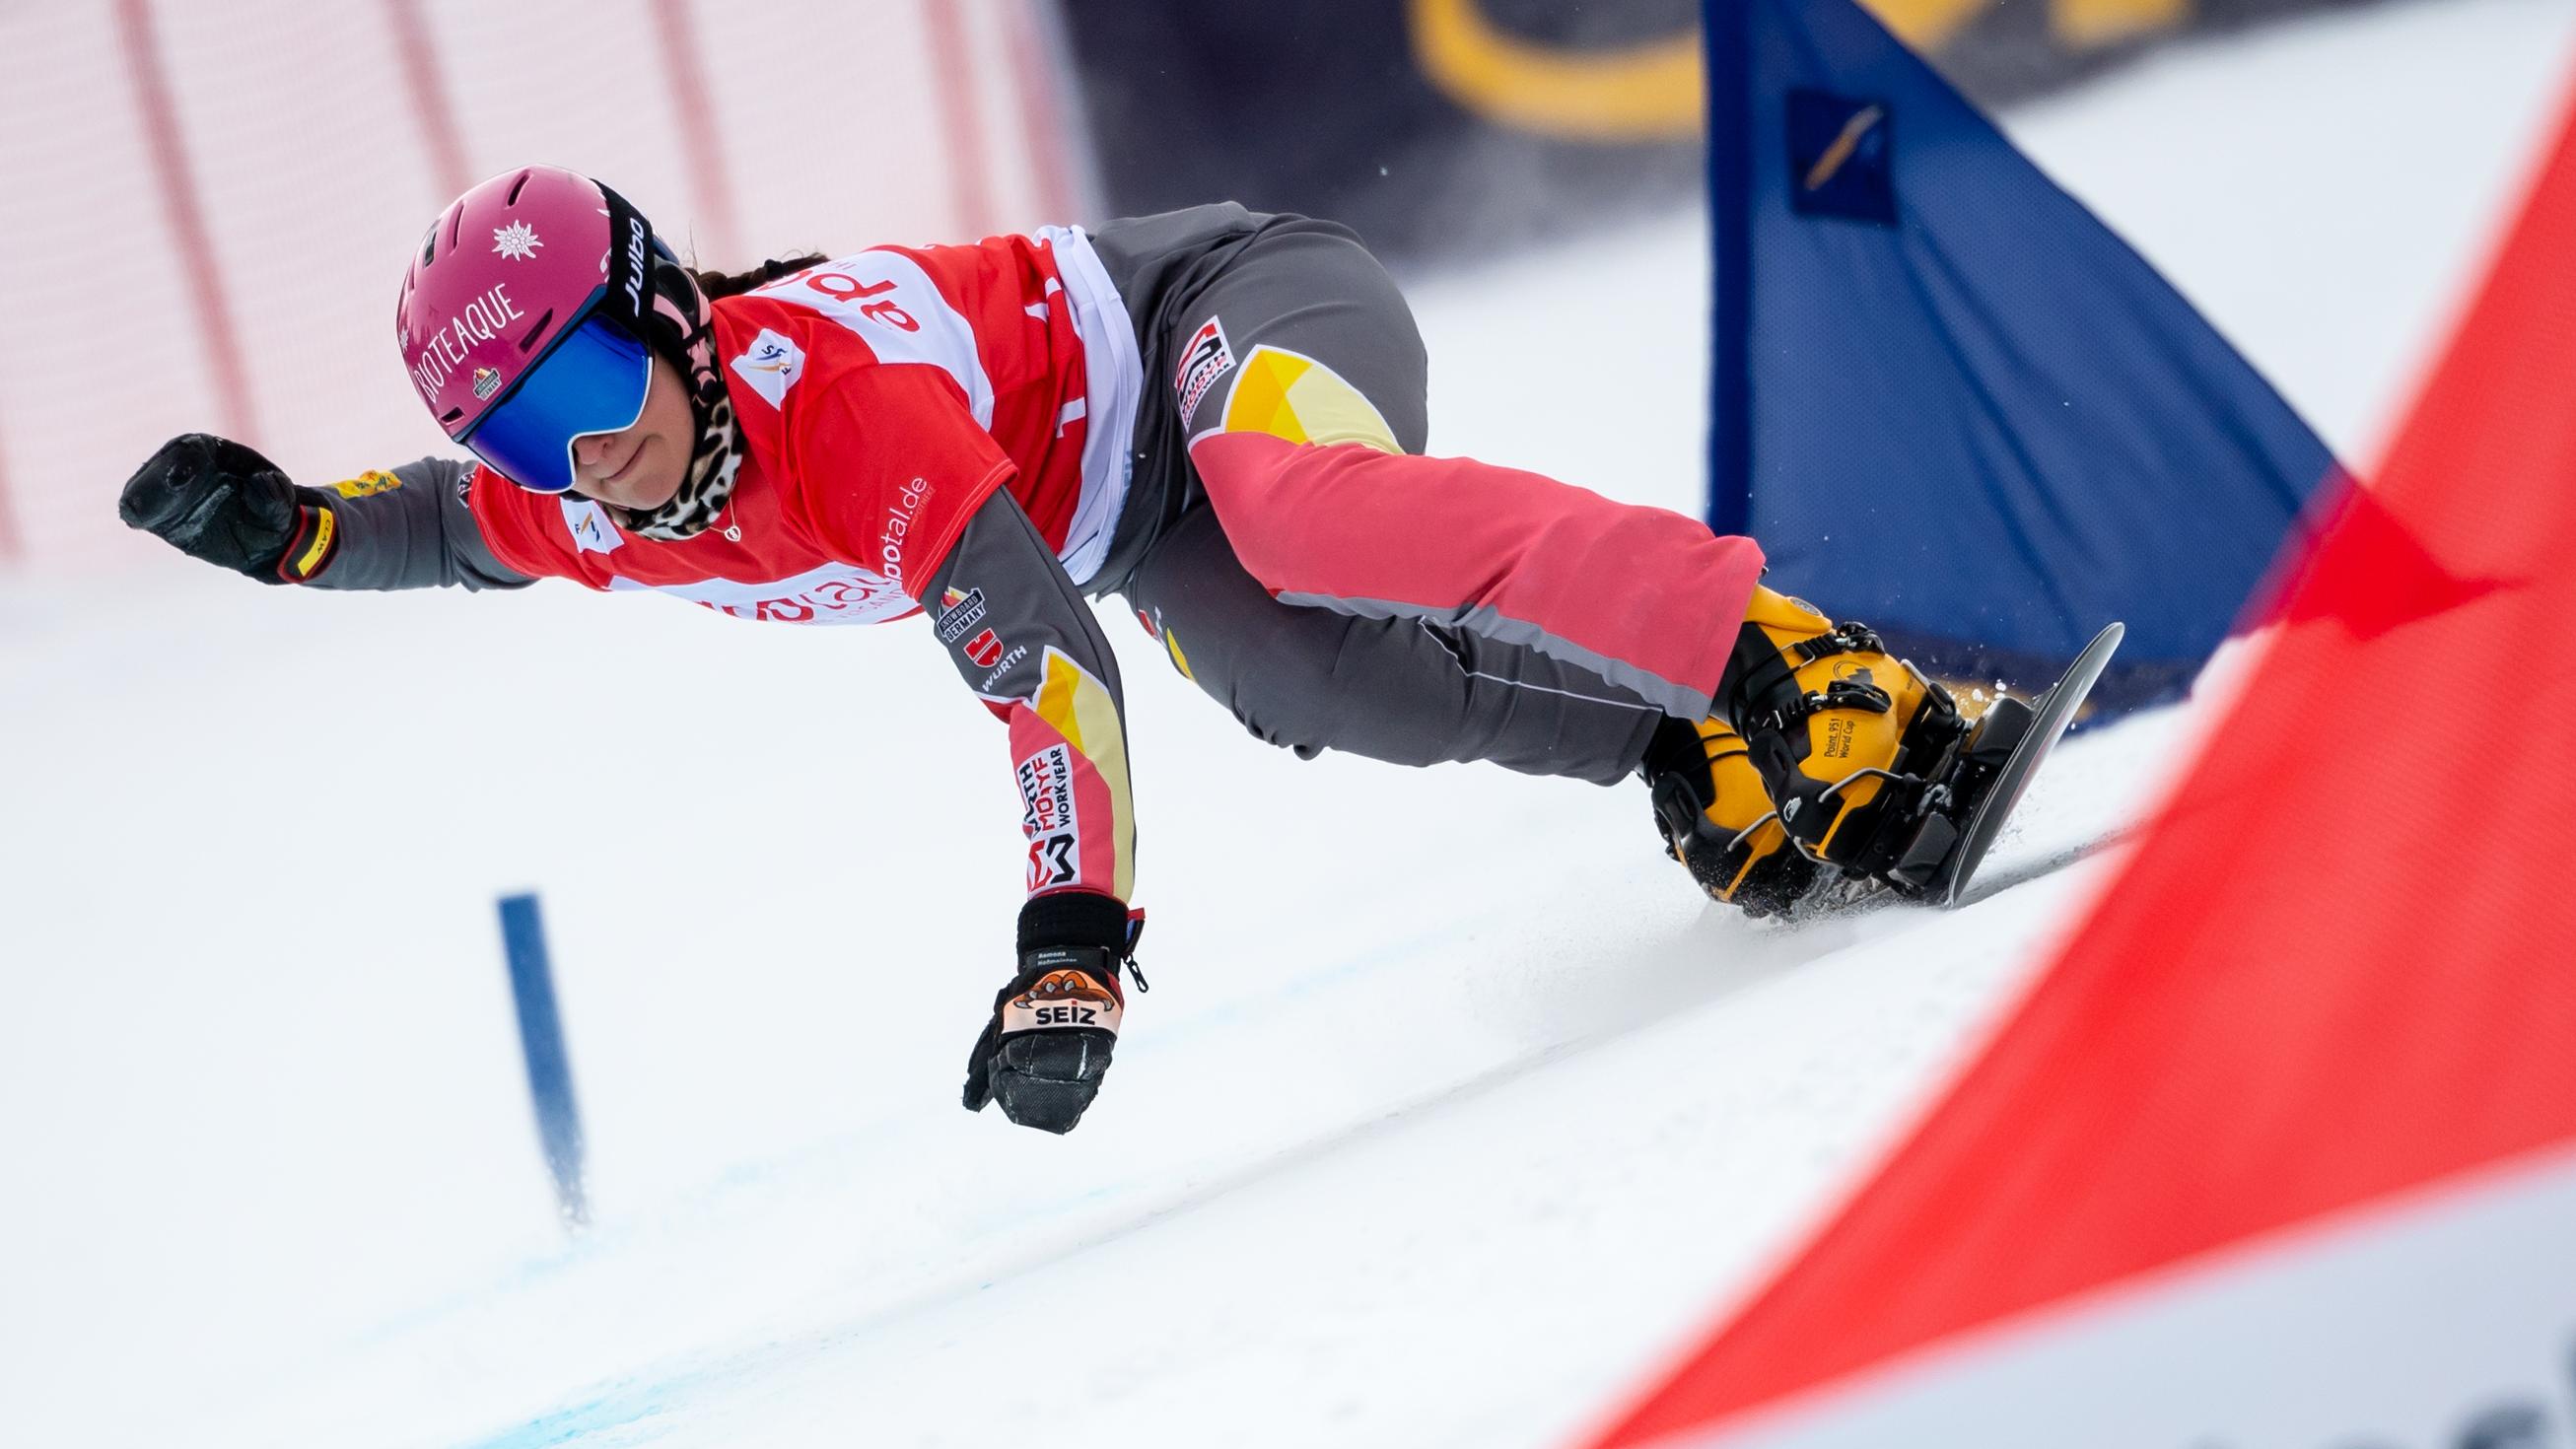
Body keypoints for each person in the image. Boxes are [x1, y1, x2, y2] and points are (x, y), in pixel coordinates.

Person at [119, 166, 1966, 1135]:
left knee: (1303, 509)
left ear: (667, 312)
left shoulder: (829, 408)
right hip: (1129, 503)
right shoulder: (590, 500)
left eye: (596, 388)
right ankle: (1684, 747)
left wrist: (1071, 949)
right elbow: (436, 523)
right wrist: (286, 536)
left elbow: (1043, 664)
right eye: (534, 435)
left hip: (1228, 310)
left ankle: (1784, 664)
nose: (591, 461)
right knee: (1316, 679)